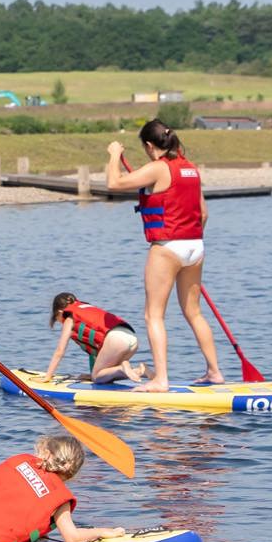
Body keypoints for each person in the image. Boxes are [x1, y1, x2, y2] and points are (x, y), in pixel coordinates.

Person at [105, 119, 224, 392]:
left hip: (167, 248)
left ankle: (160, 379)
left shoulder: (158, 168)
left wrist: (113, 155)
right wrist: (189, 243)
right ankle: (215, 372)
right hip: (195, 247)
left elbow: (114, 183)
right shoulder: (190, 169)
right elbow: (203, 213)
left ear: (149, 145)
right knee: (194, 312)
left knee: (153, 315)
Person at [43, 292, 145, 383]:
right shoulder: (86, 308)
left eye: (57, 319)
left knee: (97, 378)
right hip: (132, 337)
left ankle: (122, 368)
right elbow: (94, 353)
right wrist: (91, 375)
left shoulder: (69, 319)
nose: (61, 322)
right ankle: (142, 371)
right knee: (106, 375)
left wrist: (48, 376)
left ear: (60, 312)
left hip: (115, 339)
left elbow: (60, 351)